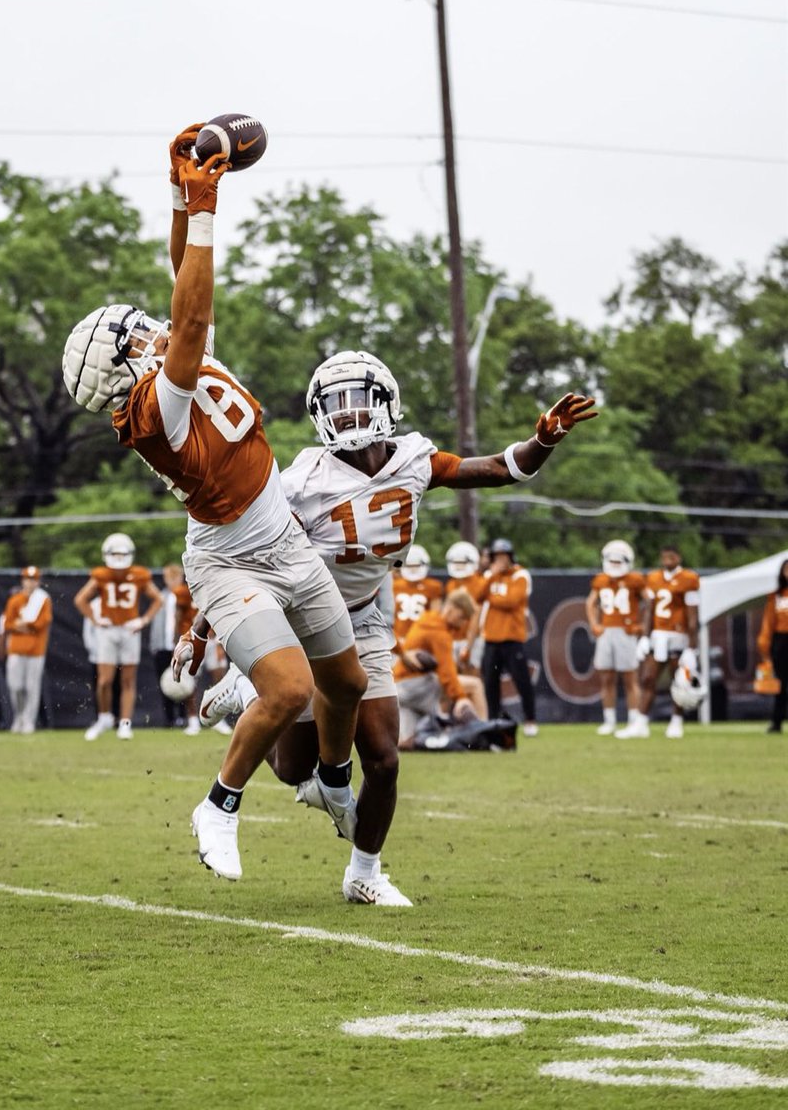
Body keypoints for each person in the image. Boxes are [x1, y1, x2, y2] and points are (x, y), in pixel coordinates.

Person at [62, 124, 368, 882]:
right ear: (121, 368)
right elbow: (191, 318)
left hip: (283, 537)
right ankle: (219, 804)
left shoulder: (162, 359)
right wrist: (206, 209)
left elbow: (181, 282)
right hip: (231, 557)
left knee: (348, 685)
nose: (147, 325)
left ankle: (330, 783)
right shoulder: (152, 408)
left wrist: (180, 191)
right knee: (291, 688)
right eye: (132, 333)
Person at [188, 350, 596, 903]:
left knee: (383, 756)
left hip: (365, 620)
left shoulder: (414, 458)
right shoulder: (302, 477)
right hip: (303, 621)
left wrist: (544, 439)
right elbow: (246, 553)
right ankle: (247, 693)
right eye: (338, 404)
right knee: (292, 769)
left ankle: (365, 873)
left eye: (360, 401)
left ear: (387, 403)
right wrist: (202, 626)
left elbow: (499, 468)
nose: (351, 415)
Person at [73, 533, 163, 742]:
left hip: (129, 630)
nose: (119, 558)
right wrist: (96, 619)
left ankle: (125, 723)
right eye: (115, 553)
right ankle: (104, 718)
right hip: (109, 630)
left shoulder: (139, 574)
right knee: (104, 680)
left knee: (128, 680)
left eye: (122, 553)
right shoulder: (101, 575)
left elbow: (158, 599)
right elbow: (80, 600)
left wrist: (143, 620)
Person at [616, 544, 700, 740]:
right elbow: (648, 611)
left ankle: (676, 721)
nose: (667, 561)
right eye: (664, 557)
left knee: (678, 682)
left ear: (678, 557)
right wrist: (644, 636)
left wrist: (692, 647)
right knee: (648, 678)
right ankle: (641, 723)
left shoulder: (689, 579)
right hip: (658, 635)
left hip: (678, 635)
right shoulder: (653, 578)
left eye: (671, 557)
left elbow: (693, 616)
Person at [393, 589, 486, 749]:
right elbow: (447, 673)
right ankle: (485, 732)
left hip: (400, 690)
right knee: (474, 684)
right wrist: (460, 698)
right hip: (415, 686)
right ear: (451, 608)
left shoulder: (427, 618)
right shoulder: (439, 632)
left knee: (409, 742)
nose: (464, 623)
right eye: (462, 616)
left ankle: (432, 727)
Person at [467, 538, 539, 736]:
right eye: (496, 556)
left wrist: (492, 596)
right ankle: (494, 720)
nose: (500, 560)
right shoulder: (491, 576)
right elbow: (477, 595)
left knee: (522, 680)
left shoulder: (520, 575)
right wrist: (492, 577)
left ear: (510, 556)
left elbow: (512, 601)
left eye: (503, 556)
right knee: (490, 683)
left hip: (512, 638)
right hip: (491, 638)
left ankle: (530, 719)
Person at [585, 540, 647, 736]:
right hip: (607, 632)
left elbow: (650, 602)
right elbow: (590, 603)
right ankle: (609, 720)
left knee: (630, 679)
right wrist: (595, 624)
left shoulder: (635, 580)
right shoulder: (601, 580)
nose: (615, 565)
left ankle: (634, 722)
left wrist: (642, 626)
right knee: (606, 679)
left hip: (626, 632)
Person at [2, 566, 53, 735]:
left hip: (35, 651)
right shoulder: (15, 600)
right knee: (15, 686)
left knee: (32, 687)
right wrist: (26, 626)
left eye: (33, 579)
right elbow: (8, 624)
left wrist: (24, 625)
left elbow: (41, 623)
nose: (30, 583)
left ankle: (29, 721)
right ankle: (19, 716)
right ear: (22, 580)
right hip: (16, 649)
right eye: (27, 579)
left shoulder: (43, 600)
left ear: (38, 581)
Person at [149, 563, 188, 728]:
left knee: (184, 681)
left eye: (175, 577)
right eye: (168, 578)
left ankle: (185, 717)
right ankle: (169, 718)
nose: (171, 581)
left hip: (180, 646)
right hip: (163, 647)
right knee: (164, 682)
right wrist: (155, 644)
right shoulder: (161, 597)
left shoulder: (187, 595)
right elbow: (157, 624)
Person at [391, 544, 444, 662]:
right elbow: (391, 614)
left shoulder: (433, 586)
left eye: (416, 565)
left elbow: (435, 616)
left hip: (421, 638)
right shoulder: (395, 584)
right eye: (410, 565)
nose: (413, 569)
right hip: (400, 637)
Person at [444, 541, 487, 671]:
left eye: (462, 563)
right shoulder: (451, 584)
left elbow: (476, 616)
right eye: (457, 563)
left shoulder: (480, 583)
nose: (459, 566)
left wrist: (468, 646)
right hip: (453, 637)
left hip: (472, 638)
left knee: (471, 672)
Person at [756, 559, 788, 734]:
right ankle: (777, 722)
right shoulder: (776, 596)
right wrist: (764, 645)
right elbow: (768, 622)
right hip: (781, 641)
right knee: (781, 685)